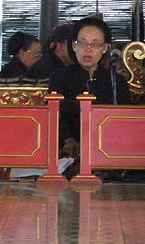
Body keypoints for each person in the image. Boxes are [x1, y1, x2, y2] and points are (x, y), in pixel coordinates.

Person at [49, 17, 131, 151]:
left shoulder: (116, 81)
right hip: (68, 151)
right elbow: (54, 116)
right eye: (82, 43)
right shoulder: (60, 77)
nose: (88, 50)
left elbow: (125, 121)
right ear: (74, 45)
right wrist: (67, 139)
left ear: (104, 48)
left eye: (95, 44)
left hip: (108, 150)